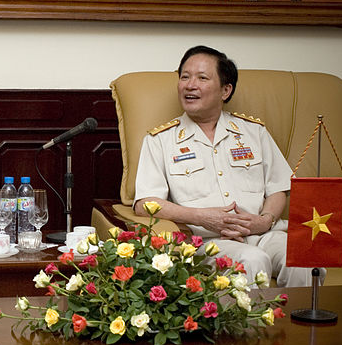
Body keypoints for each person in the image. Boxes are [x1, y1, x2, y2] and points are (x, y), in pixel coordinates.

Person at [133, 45, 320, 288]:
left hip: (263, 233)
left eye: (202, 78)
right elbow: (145, 203)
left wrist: (265, 220)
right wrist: (202, 218)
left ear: (225, 90)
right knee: (252, 261)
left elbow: (278, 189)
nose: (190, 85)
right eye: (184, 77)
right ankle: (253, 328)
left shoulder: (254, 132)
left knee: (305, 257)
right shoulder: (160, 140)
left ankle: (299, 327)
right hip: (209, 241)